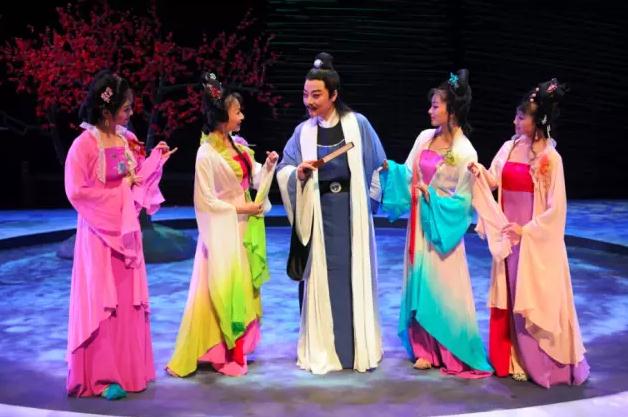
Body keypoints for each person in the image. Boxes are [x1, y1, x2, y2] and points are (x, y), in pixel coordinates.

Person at [469, 78, 589, 387]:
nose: (515, 121)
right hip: (509, 234)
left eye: (521, 117)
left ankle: (540, 363)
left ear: (538, 121)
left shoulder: (550, 159)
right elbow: (494, 180)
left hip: (531, 238)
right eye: (516, 115)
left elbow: (556, 210)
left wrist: (527, 230)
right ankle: (510, 358)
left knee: (531, 296)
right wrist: (478, 173)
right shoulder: (509, 147)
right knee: (508, 293)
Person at [65, 70, 174, 399]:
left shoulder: (127, 141)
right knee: (104, 302)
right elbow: (77, 192)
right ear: (106, 110)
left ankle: (129, 369)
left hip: (126, 235)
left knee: (127, 302)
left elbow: (137, 184)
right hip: (99, 235)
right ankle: (102, 376)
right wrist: (121, 192)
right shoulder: (84, 145)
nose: (130, 113)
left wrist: (155, 161)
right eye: (125, 108)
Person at [378, 69, 493, 378]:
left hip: (441, 227)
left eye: (435, 106)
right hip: (419, 222)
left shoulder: (465, 151)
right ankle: (424, 349)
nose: (430, 111)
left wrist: (434, 200)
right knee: (419, 279)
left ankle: (448, 348)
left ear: (451, 111)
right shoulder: (424, 138)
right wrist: (392, 170)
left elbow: (463, 202)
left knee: (442, 286)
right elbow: (409, 173)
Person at [276, 52, 386, 374]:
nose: (309, 101)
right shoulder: (303, 132)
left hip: (350, 215)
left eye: (316, 95)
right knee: (322, 278)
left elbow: (378, 167)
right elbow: (285, 169)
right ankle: (324, 348)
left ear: (334, 95)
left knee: (352, 277)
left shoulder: (358, 125)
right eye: (305, 94)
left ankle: (356, 350)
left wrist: (369, 206)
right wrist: (298, 173)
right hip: (319, 216)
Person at [166, 72, 278, 377]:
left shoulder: (238, 145)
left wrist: (267, 166)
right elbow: (205, 201)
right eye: (237, 112)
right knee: (221, 288)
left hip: (242, 227)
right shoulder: (206, 154)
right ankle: (221, 352)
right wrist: (241, 207)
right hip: (221, 231)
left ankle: (236, 350)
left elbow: (252, 178)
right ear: (221, 116)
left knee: (241, 287)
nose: (241, 117)